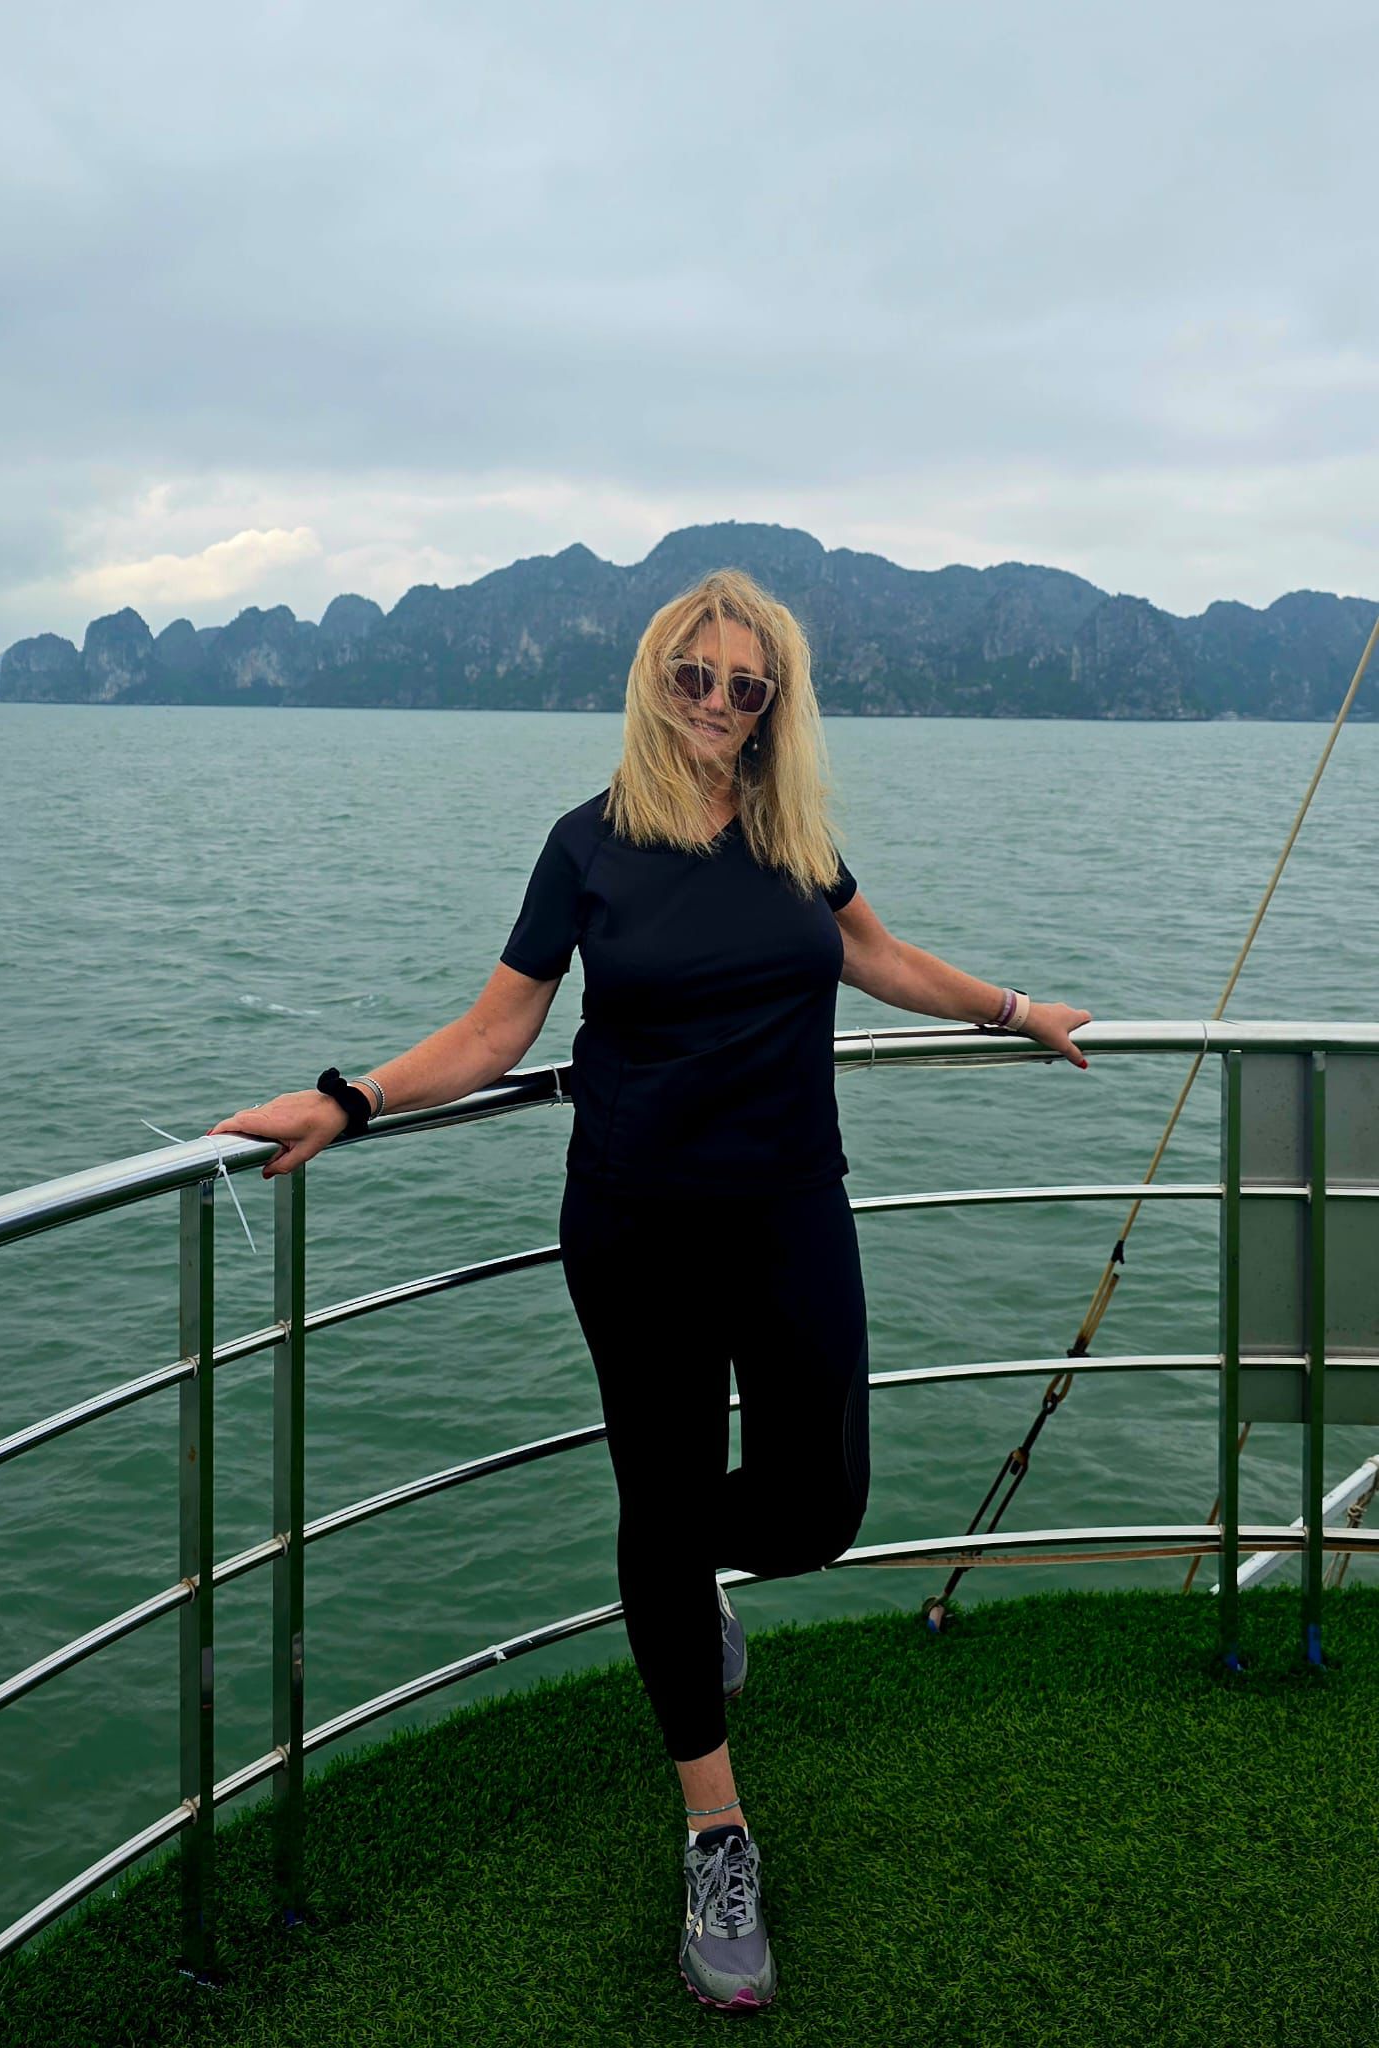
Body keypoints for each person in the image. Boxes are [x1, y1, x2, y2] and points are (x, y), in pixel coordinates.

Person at [208, 566, 1093, 2012]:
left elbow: (874, 956)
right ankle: (715, 1829)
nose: (718, 705)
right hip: (638, 1228)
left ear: (773, 702)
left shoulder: (795, 835)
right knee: (665, 1504)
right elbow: (496, 1031)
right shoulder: (589, 843)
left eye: (747, 686)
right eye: (696, 677)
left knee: (817, 1506)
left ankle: (674, 1577)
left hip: (793, 1207)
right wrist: (349, 1099)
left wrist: (1015, 1009)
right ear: (655, 679)